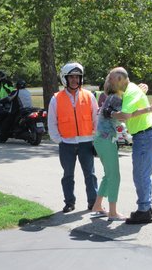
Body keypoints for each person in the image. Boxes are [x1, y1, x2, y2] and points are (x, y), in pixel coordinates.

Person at [91, 76, 152, 221]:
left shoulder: (113, 97)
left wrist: (140, 94)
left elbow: (126, 113)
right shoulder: (116, 98)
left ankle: (98, 205)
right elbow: (128, 114)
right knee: (114, 176)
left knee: (108, 175)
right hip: (106, 139)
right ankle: (112, 213)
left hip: (103, 139)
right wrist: (142, 95)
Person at [107, 67, 152, 224]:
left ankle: (144, 210)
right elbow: (132, 112)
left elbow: (125, 115)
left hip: (144, 136)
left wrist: (111, 113)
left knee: (140, 175)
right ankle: (146, 207)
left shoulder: (131, 91)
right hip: (146, 135)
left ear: (120, 79)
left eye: (111, 79)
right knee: (144, 174)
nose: (109, 81)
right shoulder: (131, 90)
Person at [48, 62, 98, 213]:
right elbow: (52, 121)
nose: (75, 80)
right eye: (72, 77)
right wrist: (58, 139)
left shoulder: (89, 96)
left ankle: (93, 202)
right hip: (67, 144)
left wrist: (95, 138)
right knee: (68, 175)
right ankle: (69, 202)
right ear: (65, 79)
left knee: (90, 174)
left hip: (86, 142)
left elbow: (96, 118)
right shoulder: (56, 99)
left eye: (77, 77)